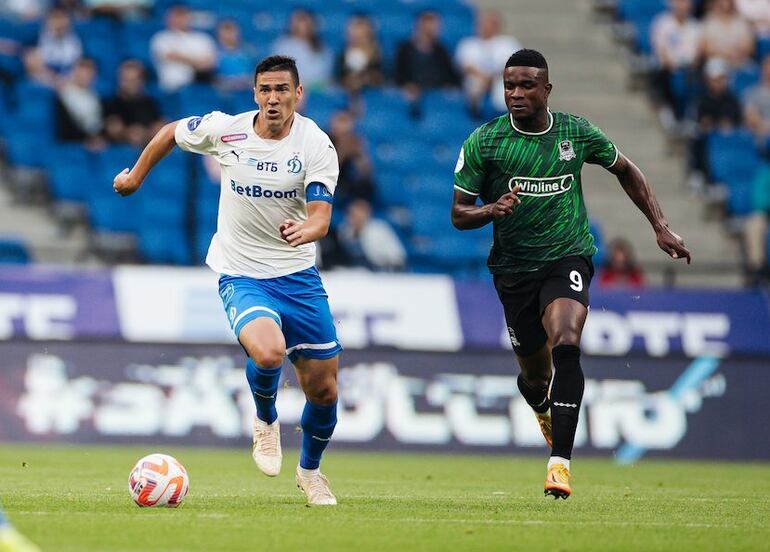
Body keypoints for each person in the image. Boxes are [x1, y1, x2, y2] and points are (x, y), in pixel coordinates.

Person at [451, 49, 690, 499]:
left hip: (568, 256)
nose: (516, 94)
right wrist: (491, 209)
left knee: (567, 339)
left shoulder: (575, 132)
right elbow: (458, 214)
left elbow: (627, 169)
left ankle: (559, 464)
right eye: (509, 86)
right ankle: (542, 404)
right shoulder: (485, 142)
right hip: (513, 269)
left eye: (526, 85)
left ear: (547, 89)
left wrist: (659, 225)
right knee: (535, 376)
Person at [113, 55, 342, 506]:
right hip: (241, 270)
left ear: (299, 94)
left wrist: (306, 231)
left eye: (282, 90)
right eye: (265, 90)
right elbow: (171, 133)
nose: (273, 98)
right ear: (254, 94)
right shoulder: (226, 129)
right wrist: (136, 176)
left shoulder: (316, 144)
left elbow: (321, 218)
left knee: (325, 389)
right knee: (269, 350)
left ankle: (311, 472)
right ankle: (265, 422)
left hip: (297, 276)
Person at [455, 10, 521, 116]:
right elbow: (466, 65)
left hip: (500, 83)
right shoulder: (468, 43)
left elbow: (512, 65)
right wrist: (484, 78)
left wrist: (491, 78)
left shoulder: (508, 43)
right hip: (476, 84)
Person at [650, 0, 701, 123]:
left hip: (688, 66)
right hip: (667, 66)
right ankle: (669, 108)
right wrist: (671, 63)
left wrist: (692, 63)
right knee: (665, 74)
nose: (683, 6)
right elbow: (660, 47)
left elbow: (698, 51)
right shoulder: (662, 22)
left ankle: (688, 113)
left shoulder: (695, 26)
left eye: (686, 3)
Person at [150, 4, 217, 92]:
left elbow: (209, 63)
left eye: (182, 16)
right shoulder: (161, 38)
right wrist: (197, 61)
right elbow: (169, 56)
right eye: (176, 16)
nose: (179, 20)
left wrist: (181, 57)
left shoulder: (203, 38)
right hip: (172, 87)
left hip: (200, 85)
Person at [395, 11, 460, 102]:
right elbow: (399, 75)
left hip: (438, 95)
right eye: (431, 24)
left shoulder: (441, 51)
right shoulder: (405, 49)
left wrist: (449, 86)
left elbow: (451, 77)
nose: (436, 27)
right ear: (421, 25)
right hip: (412, 95)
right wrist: (407, 85)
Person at [103, 59, 162, 146]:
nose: (130, 84)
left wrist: (145, 133)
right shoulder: (112, 103)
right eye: (126, 80)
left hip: (148, 147)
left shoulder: (149, 102)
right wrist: (128, 133)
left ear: (142, 81)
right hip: (122, 150)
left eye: (134, 80)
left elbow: (160, 125)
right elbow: (113, 128)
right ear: (119, 81)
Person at [271, 10, 333, 91]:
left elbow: (327, 76)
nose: (301, 24)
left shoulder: (323, 48)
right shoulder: (283, 45)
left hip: (319, 92)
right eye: (298, 20)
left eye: (304, 20)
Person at [338, 198, 406, 271]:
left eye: (360, 213)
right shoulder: (344, 230)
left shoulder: (378, 228)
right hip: (359, 271)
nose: (356, 217)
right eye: (352, 213)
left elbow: (398, 256)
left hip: (386, 268)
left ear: (367, 213)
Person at [55, 57, 104, 146]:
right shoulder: (64, 93)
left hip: (93, 140)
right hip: (72, 142)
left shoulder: (94, 96)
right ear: (75, 71)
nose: (85, 75)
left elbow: (96, 123)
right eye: (82, 70)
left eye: (89, 72)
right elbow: (66, 123)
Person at [335, 14, 384, 94]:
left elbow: (379, 78)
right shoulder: (343, 54)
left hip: (371, 95)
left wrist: (364, 79)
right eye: (354, 29)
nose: (357, 34)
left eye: (361, 29)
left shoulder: (377, 54)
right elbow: (339, 80)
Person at [700, 0, 755, 69]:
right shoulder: (708, 21)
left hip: (739, 58)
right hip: (717, 59)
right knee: (714, 68)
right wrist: (726, 55)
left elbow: (750, 46)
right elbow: (706, 49)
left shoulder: (741, 20)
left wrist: (737, 54)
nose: (725, 3)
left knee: (751, 68)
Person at [215, 19, 257, 92]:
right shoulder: (215, 53)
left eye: (231, 31)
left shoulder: (248, 51)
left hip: (246, 85)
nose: (228, 35)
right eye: (225, 32)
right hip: (224, 86)